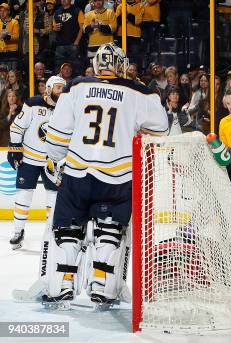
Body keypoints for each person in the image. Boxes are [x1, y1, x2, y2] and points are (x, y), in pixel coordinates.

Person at [43, 43, 168, 307]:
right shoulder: (140, 92)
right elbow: (161, 130)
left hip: (77, 172)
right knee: (110, 233)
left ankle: (62, 286)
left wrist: (59, 160)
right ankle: (103, 287)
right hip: (118, 176)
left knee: (68, 231)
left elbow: (55, 140)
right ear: (121, 66)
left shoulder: (76, 86)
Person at [7, 76, 65, 250]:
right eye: (57, 87)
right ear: (48, 88)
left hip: (52, 160)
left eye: (63, 87)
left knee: (53, 198)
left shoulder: (66, 108)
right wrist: (15, 148)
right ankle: (18, 231)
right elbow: (17, 127)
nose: (61, 91)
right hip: (29, 159)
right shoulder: (33, 104)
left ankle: (52, 232)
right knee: (23, 195)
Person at [52, 0, 84, 71]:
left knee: (75, 68)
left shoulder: (77, 11)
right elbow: (53, 27)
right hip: (60, 45)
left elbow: (82, 28)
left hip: (73, 45)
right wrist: (55, 28)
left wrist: (76, 42)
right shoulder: (57, 12)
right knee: (59, 68)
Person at [0, 3, 19, 70]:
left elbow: (16, 37)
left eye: (4, 11)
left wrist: (6, 36)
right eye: (0, 11)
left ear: (9, 12)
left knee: (12, 73)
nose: (2, 13)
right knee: (2, 74)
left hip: (12, 52)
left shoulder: (14, 22)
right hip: (1, 52)